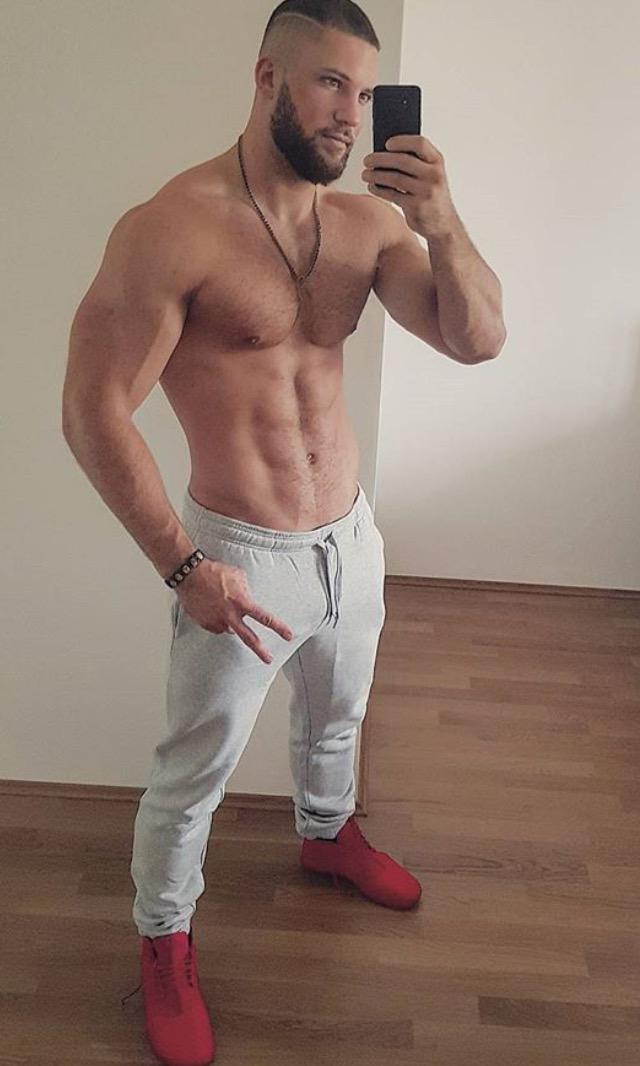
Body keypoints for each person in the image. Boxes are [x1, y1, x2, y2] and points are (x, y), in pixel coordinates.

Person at [62, 2, 505, 1063]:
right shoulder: (172, 230)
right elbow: (92, 412)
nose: (351, 112)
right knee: (194, 770)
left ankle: (327, 835)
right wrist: (185, 565)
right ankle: (163, 941)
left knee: (339, 715)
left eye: (366, 91)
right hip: (238, 555)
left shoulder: (368, 228)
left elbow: (478, 340)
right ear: (268, 77)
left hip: (348, 538)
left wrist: (443, 223)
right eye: (329, 83)